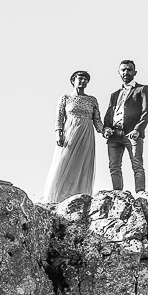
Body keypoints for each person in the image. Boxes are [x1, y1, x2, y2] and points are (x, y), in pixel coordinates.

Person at [40, 70, 100, 205]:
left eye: (86, 79)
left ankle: (79, 194)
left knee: (82, 163)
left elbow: (97, 121)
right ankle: (57, 196)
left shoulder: (92, 100)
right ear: (73, 80)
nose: (83, 81)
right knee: (64, 162)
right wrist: (58, 132)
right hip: (70, 132)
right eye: (80, 78)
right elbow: (59, 117)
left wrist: (105, 130)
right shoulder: (65, 98)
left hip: (86, 134)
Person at [103, 59, 148, 193]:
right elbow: (109, 115)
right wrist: (106, 128)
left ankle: (140, 193)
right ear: (119, 72)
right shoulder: (114, 94)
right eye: (123, 70)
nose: (126, 72)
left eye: (129, 69)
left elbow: (146, 112)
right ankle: (118, 194)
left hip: (132, 134)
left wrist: (137, 129)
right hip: (114, 135)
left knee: (137, 165)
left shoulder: (142, 89)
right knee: (114, 166)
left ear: (135, 72)